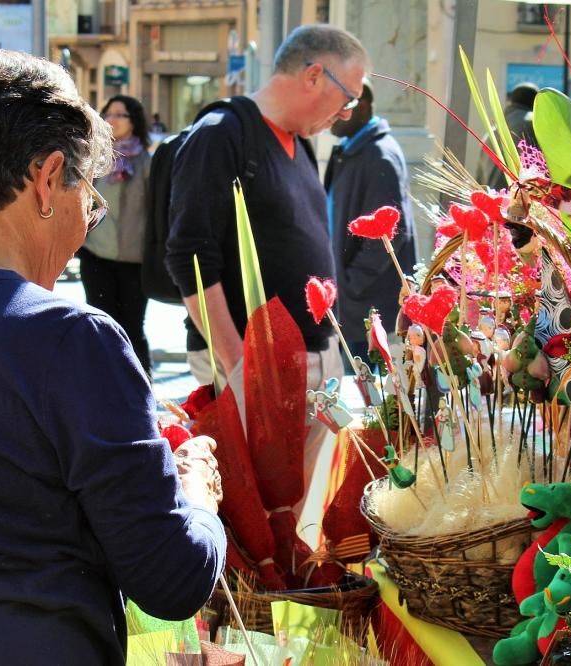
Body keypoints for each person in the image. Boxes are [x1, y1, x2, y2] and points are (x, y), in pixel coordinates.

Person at [0, 50, 226, 665]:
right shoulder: (72, 338)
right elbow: (172, 578)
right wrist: (197, 494)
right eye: (89, 197)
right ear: (48, 179)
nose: (85, 223)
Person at [166, 24, 368, 510]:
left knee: (299, 515)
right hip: (256, 367)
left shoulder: (299, 146)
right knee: (257, 514)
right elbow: (190, 256)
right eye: (348, 100)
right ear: (314, 74)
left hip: (312, 363)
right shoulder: (222, 135)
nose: (345, 116)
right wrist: (242, 368)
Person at [324, 80, 417, 364]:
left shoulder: (378, 155)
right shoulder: (352, 150)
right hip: (354, 307)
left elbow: (391, 232)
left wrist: (351, 283)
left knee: (371, 400)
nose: (329, 116)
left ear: (361, 106)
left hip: (369, 310)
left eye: (337, 109)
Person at [78, 94, 153, 377]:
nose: (112, 119)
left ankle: (139, 389)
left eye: (120, 114)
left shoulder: (148, 163)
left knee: (133, 328)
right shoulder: (94, 162)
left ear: (134, 121)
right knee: (100, 325)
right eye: (108, 114)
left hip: (136, 261)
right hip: (97, 257)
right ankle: (101, 387)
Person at [486, 81, 539, 190]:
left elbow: (480, 178)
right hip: (523, 201)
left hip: (493, 199)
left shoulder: (491, 132)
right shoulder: (535, 123)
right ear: (536, 103)